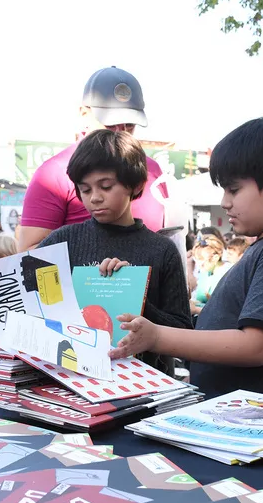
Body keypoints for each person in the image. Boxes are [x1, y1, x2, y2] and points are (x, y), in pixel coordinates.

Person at [109, 118, 263, 397]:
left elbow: (255, 346)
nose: (225, 202)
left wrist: (158, 337)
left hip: (258, 419)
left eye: (233, 190)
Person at [39, 129, 193, 375]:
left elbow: (183, 332)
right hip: (72, 377)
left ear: (135, 185)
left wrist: (136, 297)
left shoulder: (162, 250)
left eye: (106, 186)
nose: (95, 198)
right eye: (85, 190)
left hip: (143, 384)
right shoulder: (62, 241)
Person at [18, 67, 168, 251]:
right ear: (84, 115)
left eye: (130, 125)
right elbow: (29, 254)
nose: (120, 131)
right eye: (110, 124)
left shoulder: (152, 170)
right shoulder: (53, 173)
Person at [189, 233, 230, 317]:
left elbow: (225, 312)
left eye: (203, 264)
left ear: (215, 258)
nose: (199, 267)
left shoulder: (228, 274)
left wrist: (196, 309)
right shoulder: (206, 271)